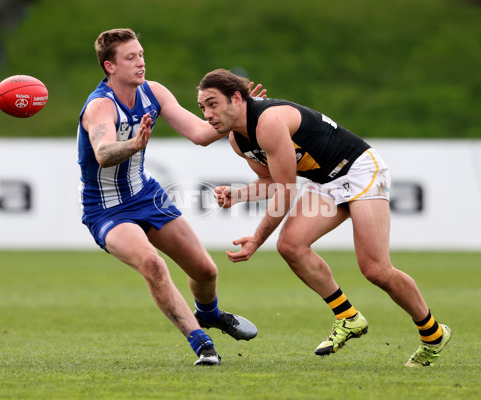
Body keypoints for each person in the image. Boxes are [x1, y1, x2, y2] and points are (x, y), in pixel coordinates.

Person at [196, 68, 451, 367]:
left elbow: (287, 191)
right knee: (290, 245)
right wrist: (237, 195)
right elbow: (271, 181)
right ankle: (348, 317)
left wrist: (256, 239)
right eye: (202, 107)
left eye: (212, 103)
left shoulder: (268, 122)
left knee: (375, 269)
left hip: (360, 170)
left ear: (236, 99)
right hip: (325, 183)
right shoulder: (238, 141)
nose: (207, 113)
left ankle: (432, 333)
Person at [76, 30, 265, 366]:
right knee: (152, 264)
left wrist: (243, 114)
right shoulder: (100, 106)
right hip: (106, 209)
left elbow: (201, 134)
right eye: (130, 57)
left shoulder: (154, 92)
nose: (141, 62)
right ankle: (202, 343)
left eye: (141, 54)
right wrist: (134, 145)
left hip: (147, 196)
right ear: (110, 66)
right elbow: (103, 153)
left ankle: (209, 314)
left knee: (205, 271)